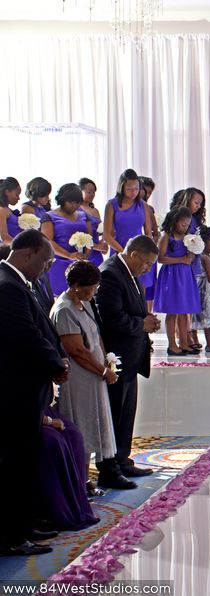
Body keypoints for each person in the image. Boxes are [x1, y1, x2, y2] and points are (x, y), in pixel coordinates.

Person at [0, 230, 69, 556]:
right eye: (45, 260)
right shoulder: (7, 286)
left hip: (25, 389)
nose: (47, 267)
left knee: (24, 461)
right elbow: (25, 335)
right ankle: (11, 535)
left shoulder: (17, 283)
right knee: (14, 464)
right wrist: (56, 363)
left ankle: (23, 524)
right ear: (27, 254)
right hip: (15, 392)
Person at [50, 261, 127, 490]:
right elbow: (76, 350)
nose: (94, 291)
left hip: (94, 375)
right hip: (79, 379)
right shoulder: (64, 309)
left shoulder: (85, 303)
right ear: (75, 285)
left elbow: (96, 336)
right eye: (90, 287)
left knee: (93, 427)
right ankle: (79, 482)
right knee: (81, 427)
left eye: (96, 287)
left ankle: (85, 480)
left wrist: (106, 361)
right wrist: (102, 370)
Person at [95, 235, 160, 487]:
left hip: (131, 357)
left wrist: (147, 324)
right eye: (146, 263)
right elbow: (110, 318)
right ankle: (109, 467)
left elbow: (132, 310)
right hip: (116, 357)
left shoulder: (130, 273)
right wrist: (140, 324)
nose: (147, 269)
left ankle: (123, 460)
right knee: (114, 413)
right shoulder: (110, 274)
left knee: (126, 413)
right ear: (134, 255)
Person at [104, 169, 155, 305]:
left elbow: (148, 233)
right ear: (122, 188)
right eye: (129, 189)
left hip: (140, 254)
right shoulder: (111, 205)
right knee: (119, 290)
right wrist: (124, 253)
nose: (133, 192)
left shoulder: (143, 205)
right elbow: (107, 235)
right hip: (119, 251)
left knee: (139, 293)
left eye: (136, 188)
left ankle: (142, 324)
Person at [155, 207, 202, 355]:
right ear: (175, 221)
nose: (185, 227)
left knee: (184, 310)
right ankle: (172, 345)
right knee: (173, 311)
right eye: (183, 224)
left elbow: (191, 256)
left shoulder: (188, 237)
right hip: (171, 276)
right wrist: (181, 259)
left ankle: (184, 342)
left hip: (185, 275)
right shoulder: (167, 236)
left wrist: (191, 255)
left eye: (187, 225)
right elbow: (160, 258)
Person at [170, 188, 207, 350]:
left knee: (190, 302)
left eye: (200, 203)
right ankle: (183, 337)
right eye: (196, 202)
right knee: (181, 304)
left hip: (193, 261)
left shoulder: (195, 220)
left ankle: (189, 333)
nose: (198, 206)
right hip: (181, 263)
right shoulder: (179, 219)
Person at [41, 183, 93, 296]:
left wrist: (86, 254)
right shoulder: (49, 216)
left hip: (81, 264)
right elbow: (48, 241)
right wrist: (69, 255)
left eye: (77, 202)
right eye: (71, 202)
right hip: (59, 264)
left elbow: (90, 239)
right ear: (62, 200)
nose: (74, 205)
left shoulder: (84, 215)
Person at [139, 176, 159, 309]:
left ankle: (148, 317)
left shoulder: (149, 208)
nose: (148, 195)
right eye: (146, 191)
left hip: (147, 250)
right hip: (135, 250)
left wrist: (154, 241)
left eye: (150, 192)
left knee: (148, 286)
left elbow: (155, 232)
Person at [79, 177, 108, 268]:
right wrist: (97, 246)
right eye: (89, 192)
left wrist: (104, 244)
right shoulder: (76, 210)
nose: (92, 194)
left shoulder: (95, 210)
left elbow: (100, 232)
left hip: (97, 254)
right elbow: (77, 236)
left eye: (94, 192)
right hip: (83, 252)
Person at [0, 176, 22, 244]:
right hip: (10, 250)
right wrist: (23, 246)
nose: (19, 198)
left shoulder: (8, 209)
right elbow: (4, 238)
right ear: (7, 192)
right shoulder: (1, 210)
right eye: (17, 194)